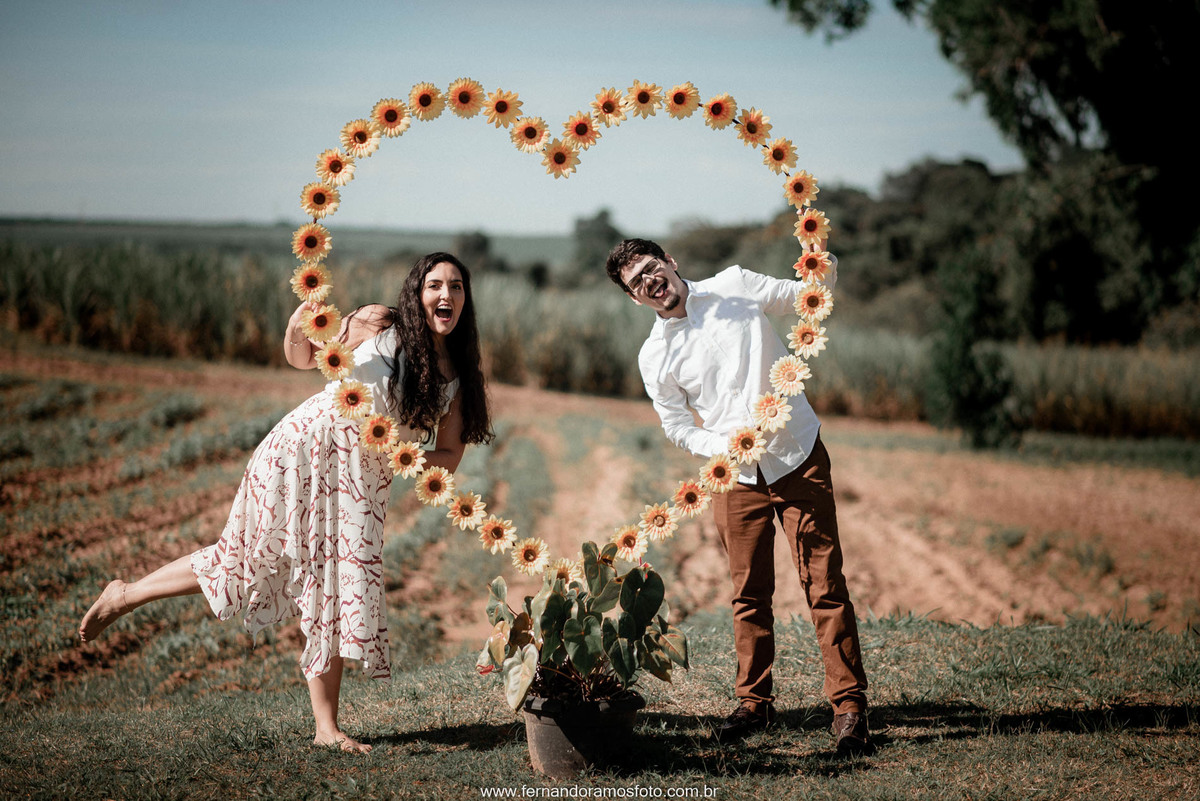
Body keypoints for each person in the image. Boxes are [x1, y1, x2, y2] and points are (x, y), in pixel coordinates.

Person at [79, 252, 493, 753]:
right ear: (417, 292)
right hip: (303, 448)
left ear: (465, 300)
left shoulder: (458, 377)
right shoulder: (379, 323)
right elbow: (302, 358)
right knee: (244, 556)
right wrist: (298, 329)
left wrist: (416, 467)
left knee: (335, 588)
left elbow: (448, 452)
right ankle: (125, 595)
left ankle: (326, 728)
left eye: (455, 287)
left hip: (362, 484)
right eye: (434, 285)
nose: (445, 295)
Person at [604, 238, 871, 753]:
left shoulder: (736, 285)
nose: (650, 282)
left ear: (671, 263)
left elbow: (810, 297)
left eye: (652, 269)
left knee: (825, 584)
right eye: (636, 282)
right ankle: (754, 704)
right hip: (734, 477)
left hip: (797, 454)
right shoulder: (654, 356)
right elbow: (678, 426)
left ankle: (849, 708)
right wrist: (721, 445)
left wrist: (822, 261)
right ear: (634, 298)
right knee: (749, 594)